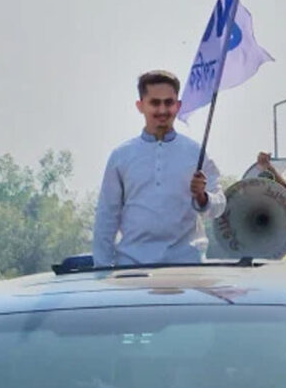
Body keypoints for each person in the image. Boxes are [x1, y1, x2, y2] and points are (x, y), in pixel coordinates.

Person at [92, 70, 226, 267]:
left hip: (187, 266)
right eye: (155, 103)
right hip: (132, 267)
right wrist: (102, 270)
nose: (162, 110)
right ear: (140, 106)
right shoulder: (121, 156)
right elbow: (106, 218)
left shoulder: (195, 153)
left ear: (178, 106)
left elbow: (219, 206)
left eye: (168, 103)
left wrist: (203, 197)